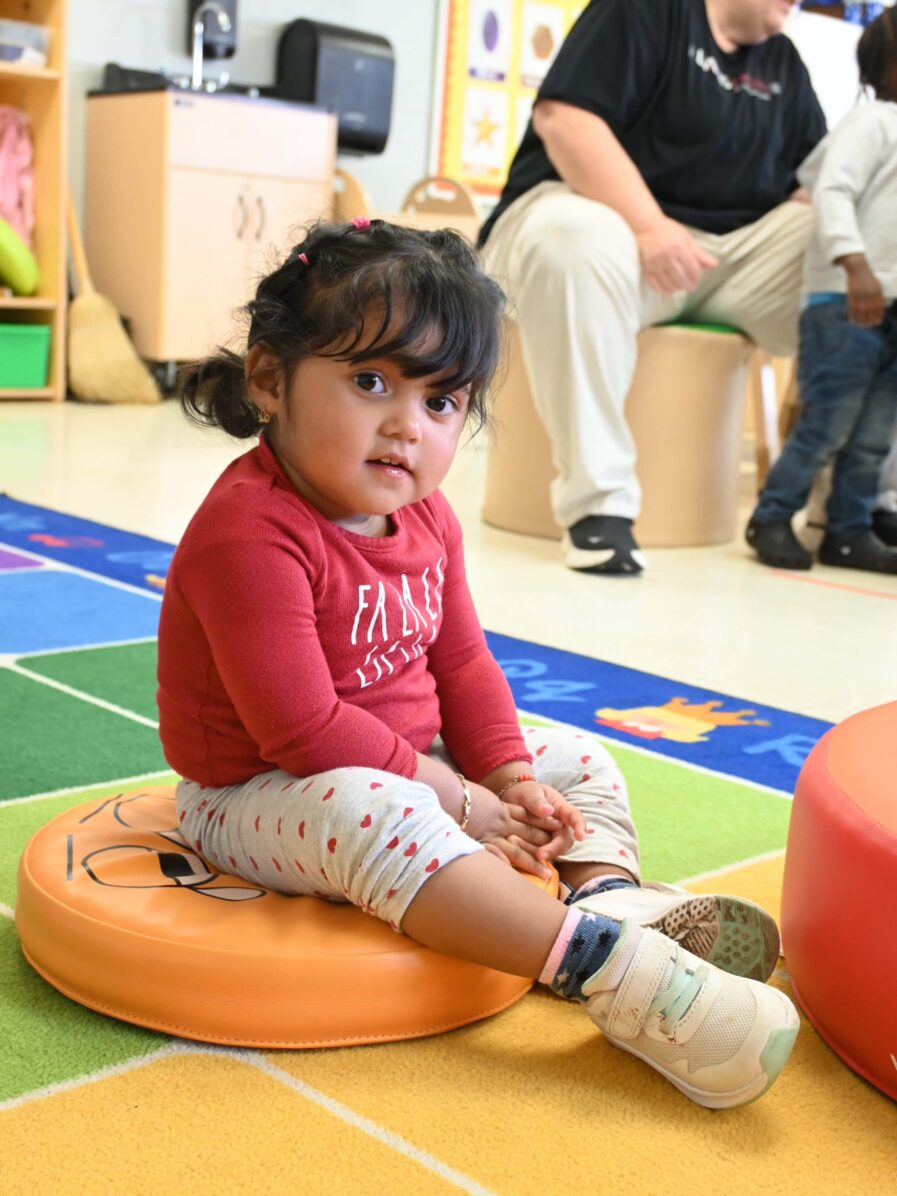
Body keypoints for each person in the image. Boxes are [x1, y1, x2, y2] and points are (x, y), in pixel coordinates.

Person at [157, 218, 798, 1108]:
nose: (403, 427)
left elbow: (461, 662)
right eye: (370, 380)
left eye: (440, 402)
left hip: (417, 771)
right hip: (259, 792)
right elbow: (300, 730)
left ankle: (607, 899)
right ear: (269, 379)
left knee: (576, 757)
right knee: (369, 803)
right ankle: (607, 970)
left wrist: (507, 776)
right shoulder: (249, 531)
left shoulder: (427, 518)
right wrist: (458, 799)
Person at [479, 0, 826, 575]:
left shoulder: (785, 63)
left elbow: (820, 179)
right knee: (575, 238)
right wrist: (648, 226)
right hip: (605, 226)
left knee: (857, 246)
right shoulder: (644, 10)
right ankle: (599, 508)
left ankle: (854, 506)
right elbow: (565, 120)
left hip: (729, 259)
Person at [746, 8, 897, 573]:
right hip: (845, 302)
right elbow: (829, 187)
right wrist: (854, 266)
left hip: (890, 308)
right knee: (827, 425)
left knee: (875, 434)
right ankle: (772, 515)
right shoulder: (873, 120)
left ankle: (849, 531)